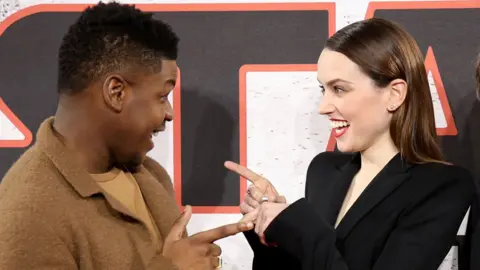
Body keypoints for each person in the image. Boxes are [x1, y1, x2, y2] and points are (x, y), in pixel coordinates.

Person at [0, 2, 253, 269]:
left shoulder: (151, 176)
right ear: (116, 92)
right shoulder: (28, 213)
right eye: (162, 96)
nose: (169, 113)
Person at [225, 18, 476, 270]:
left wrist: (300, 228)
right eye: (323, 89)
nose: (323, 107)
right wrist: (273, 230)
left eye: (340, 89)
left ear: (394, 94)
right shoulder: (324, 170)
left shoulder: (442, 186)